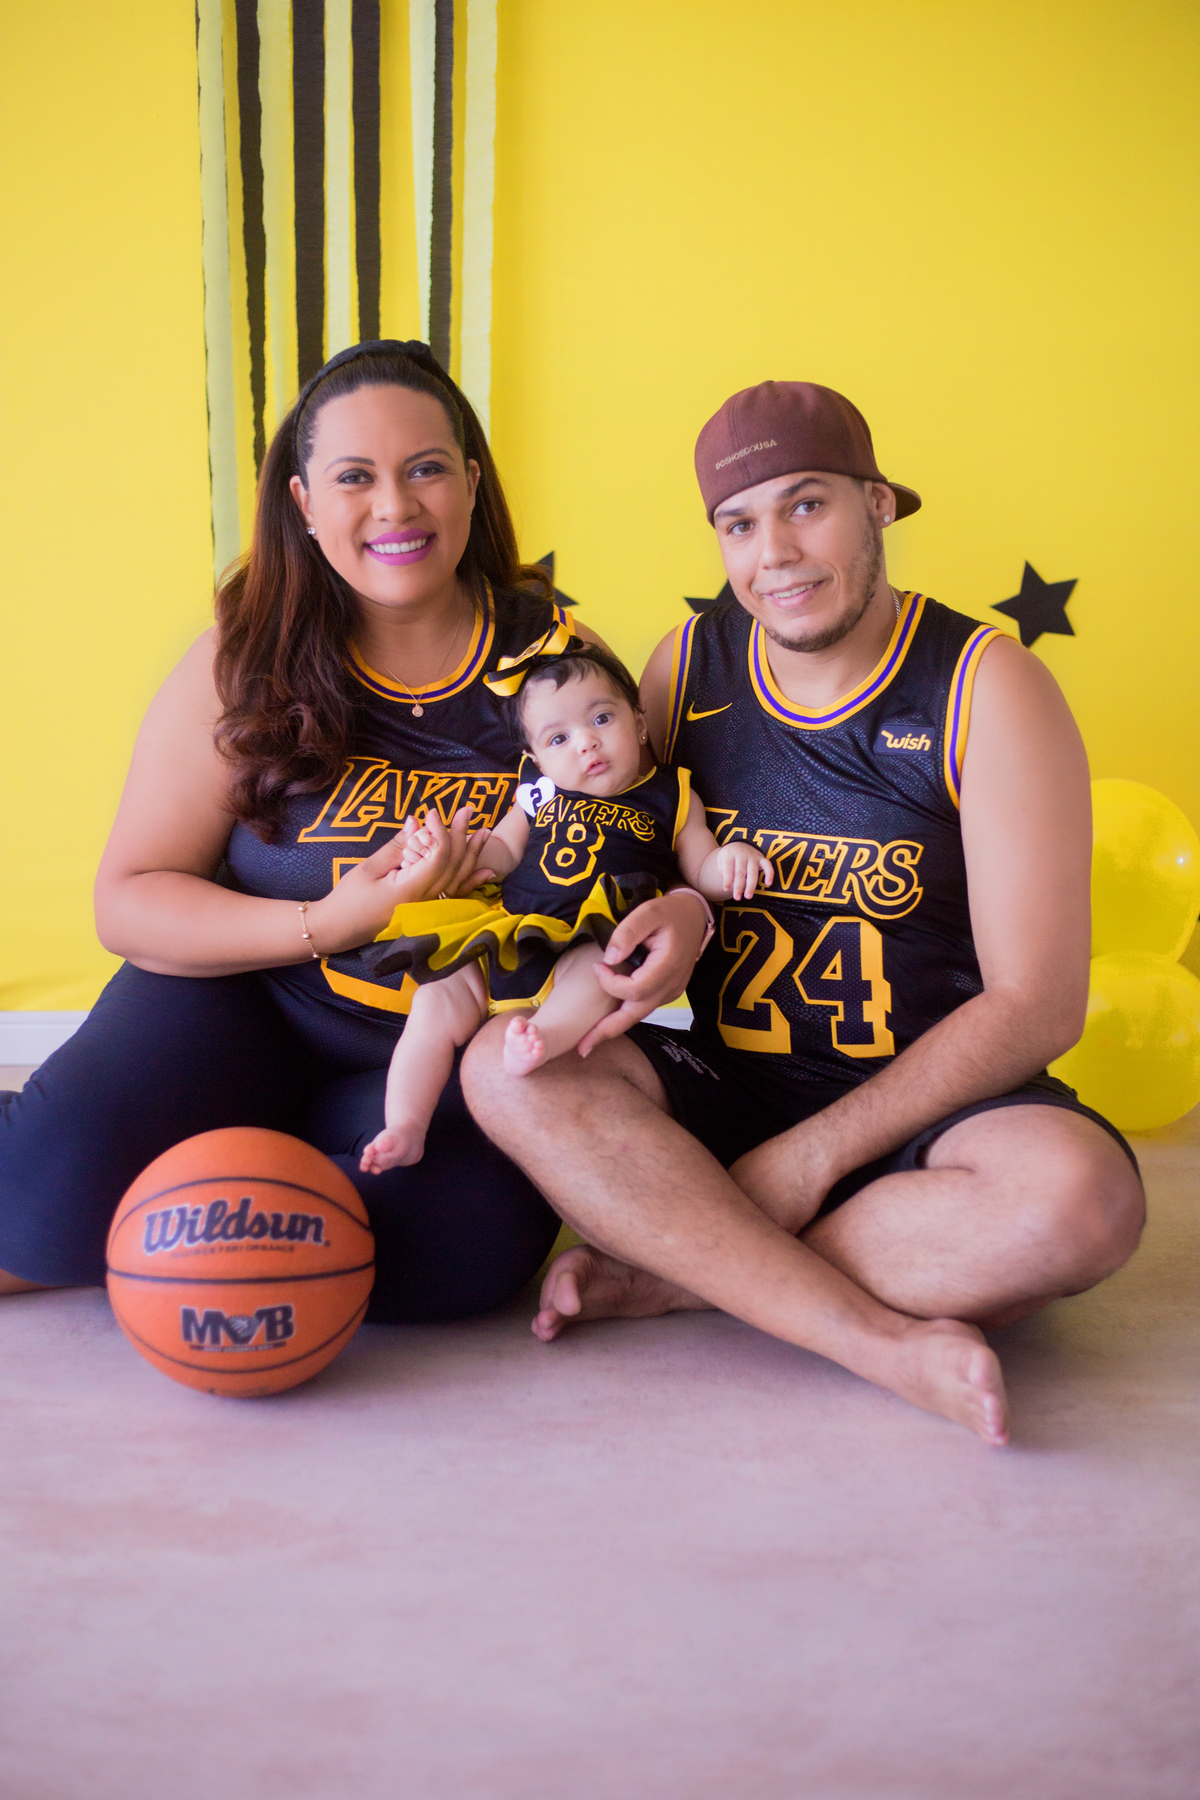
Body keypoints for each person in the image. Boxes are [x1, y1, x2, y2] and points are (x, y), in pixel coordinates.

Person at [461, 380, 1146, 1444]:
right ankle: (867, 1333)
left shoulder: (985, 685)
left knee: (1082, 1203)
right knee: (507, 1069)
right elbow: (628, 853)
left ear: (879, 504)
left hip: (928, 1107)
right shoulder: (685, 668)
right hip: (731, 1083)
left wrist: (810, 1161)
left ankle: (686, 1274)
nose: (773, 550)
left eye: (807, 503)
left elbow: (1038, 1004)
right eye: (740, 522)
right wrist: (680, 915)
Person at [0, 340, 708, 1321]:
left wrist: (681, 916)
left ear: (469, 481)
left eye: (424, 469)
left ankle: (216, 1175)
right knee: (41, 1209)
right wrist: (329, 920)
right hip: (240, 1010)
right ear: (302, 503)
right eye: (354, 478)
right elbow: (128, 897)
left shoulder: (557, 662)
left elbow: (645, 831)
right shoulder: (243, 660)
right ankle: (144, 1159)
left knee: (453, 1259)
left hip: (440, 1045)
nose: (395, 508)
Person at [356, 642, 773, 1170]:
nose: (587, 744)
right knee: (435, 1001)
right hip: (512, 925)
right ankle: (406, 1124)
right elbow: (503, 852)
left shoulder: (672, 793)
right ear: (536, 759)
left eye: (602, 718)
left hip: (596, 928)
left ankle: (545, 1036)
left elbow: (700, 867)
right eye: (559, 738)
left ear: (640, 723)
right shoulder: (538, 793)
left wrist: (731, 859)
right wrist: (459, 852)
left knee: (601, 970)